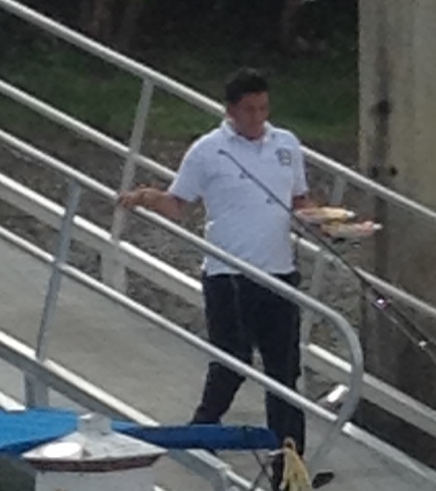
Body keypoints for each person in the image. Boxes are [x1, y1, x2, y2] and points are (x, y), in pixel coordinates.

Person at [120, 69, 311, 454]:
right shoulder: (208, 150)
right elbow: (178, 203)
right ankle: (200, 431)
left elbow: (300, 201)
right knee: (232, 361)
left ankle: (290, 462)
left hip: (279, 271)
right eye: (249, 110)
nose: (257, 118)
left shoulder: (286, 143)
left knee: (285, 369)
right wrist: (146, 197)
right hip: (230, 273)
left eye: (263, 109)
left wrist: (326, 222)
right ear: (230, 111)